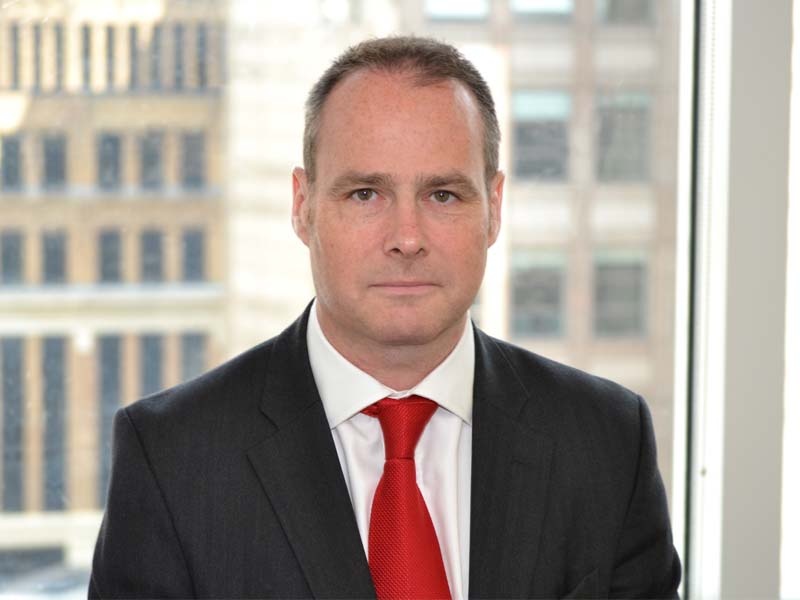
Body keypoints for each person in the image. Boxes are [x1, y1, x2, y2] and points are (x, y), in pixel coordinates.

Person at [90, 36, 681, 599]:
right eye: (365, 194)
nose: (407, 238)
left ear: (494, 208)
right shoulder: (172, 459)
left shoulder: (606, 440)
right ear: (303, 206)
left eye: (443, 195)